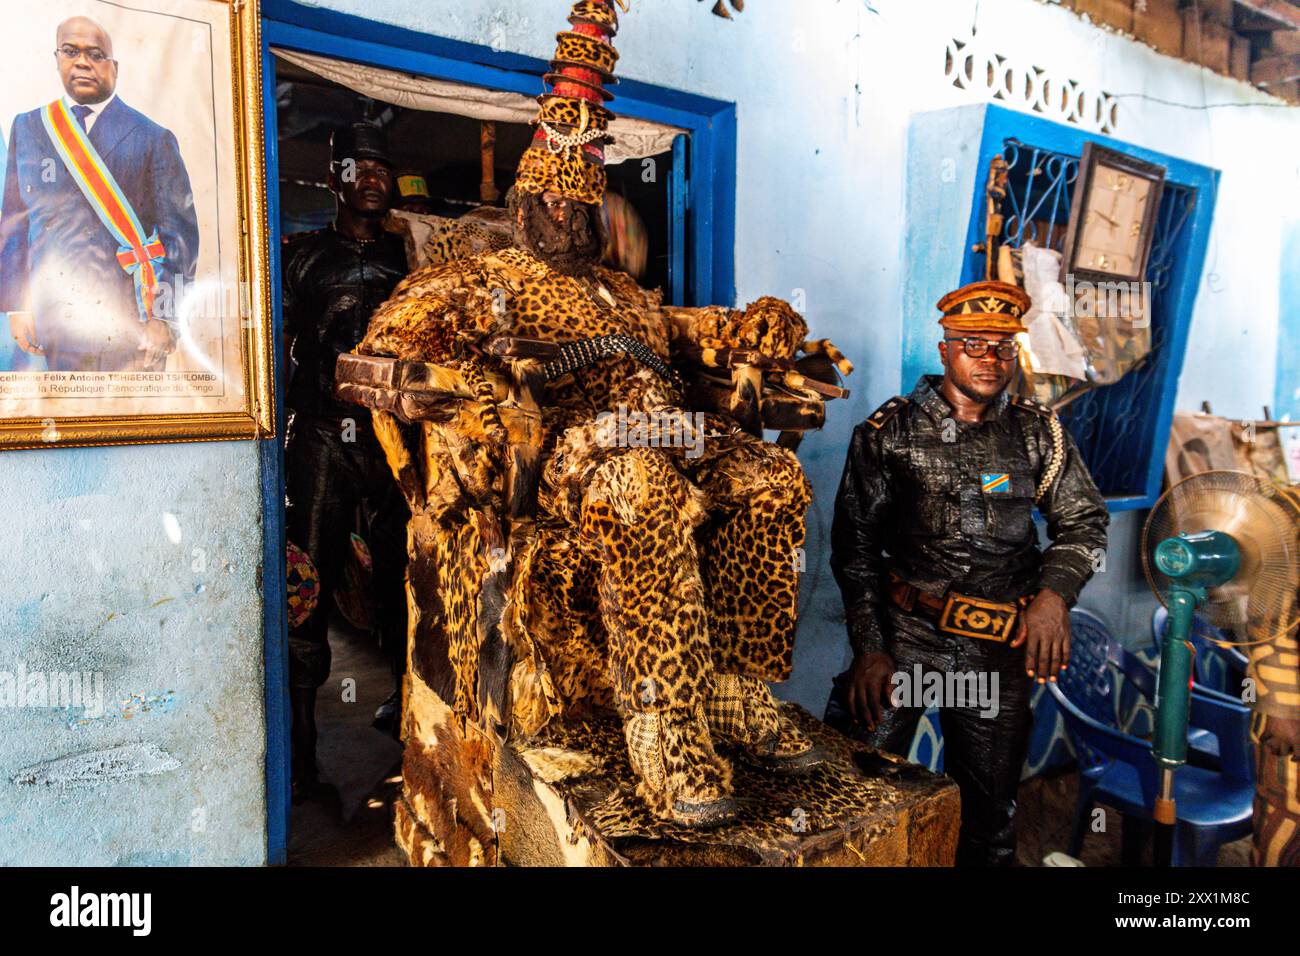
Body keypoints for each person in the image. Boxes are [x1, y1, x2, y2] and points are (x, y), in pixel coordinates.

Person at [354, 0, 841, 827]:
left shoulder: (622, 292)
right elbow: (382, 350)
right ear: (524, 202)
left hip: (673, 433)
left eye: (583, 206)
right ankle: (664, 722)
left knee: (771, 475)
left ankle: (729, 686)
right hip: (557, 457)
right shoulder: (475, 278)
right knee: (642, 486)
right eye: (554, 203)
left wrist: (759, 318)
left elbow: (699, 331)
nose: (570, 218)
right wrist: (477, 387)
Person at [825, 280, 1109, 866]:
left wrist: (1054, 595)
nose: (990, 359)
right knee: (855, 803)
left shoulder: (1039, 431)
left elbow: (1084, 523)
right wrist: (870, 649)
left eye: (1003, 347)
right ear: (945, 349)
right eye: (973, 344)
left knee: (989, 822)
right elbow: (854, 548)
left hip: (998, 653)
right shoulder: (888, 433)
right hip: (904, 642)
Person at [281, 122, 410, 799]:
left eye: (383, 167)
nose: (372, 177)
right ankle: (301, 744)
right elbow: (274, 347)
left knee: (404, 575)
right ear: (335, 177)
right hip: (326, 437)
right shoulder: (301, 257)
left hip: (396, 440)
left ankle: (409, 708)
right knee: (308, 579)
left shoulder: (410, 259)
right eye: (358, 166)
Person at [0, 16, 197, 372]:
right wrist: (18, 306)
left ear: (114, 67)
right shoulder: (29, 127)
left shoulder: (152, 137)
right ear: (57, 58)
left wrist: (164, 319)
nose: (82, 62)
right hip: (57, 325)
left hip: (133, 324)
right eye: (70, 51)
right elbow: (15, 223)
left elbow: (180, 239)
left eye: (95, 54)